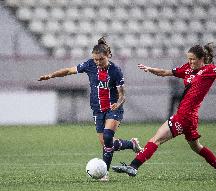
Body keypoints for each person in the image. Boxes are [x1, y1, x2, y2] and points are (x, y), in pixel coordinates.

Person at [112, 43, 216, 179]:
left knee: (156, 139)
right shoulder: (187, 69)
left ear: (202, 59)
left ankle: (133, 166)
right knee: (197, 147)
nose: (190, 62)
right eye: (188, 59)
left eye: (193, 59)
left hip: (184, 116)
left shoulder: (211, 70)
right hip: (190, 117)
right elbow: (166, 72)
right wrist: (150, 68)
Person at [38, 37, 143, 181]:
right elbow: (69, 70)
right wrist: (51, 75)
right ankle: (131, 144)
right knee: (107, 144)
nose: (98, 63)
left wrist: (118, 104)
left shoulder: (116, 71)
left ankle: (104, 173)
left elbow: (122, 96)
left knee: (107, 137)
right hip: (97, 110)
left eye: (101, 59)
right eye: (95, 60)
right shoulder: (89, 65)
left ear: (108, 56)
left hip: (114, 108)